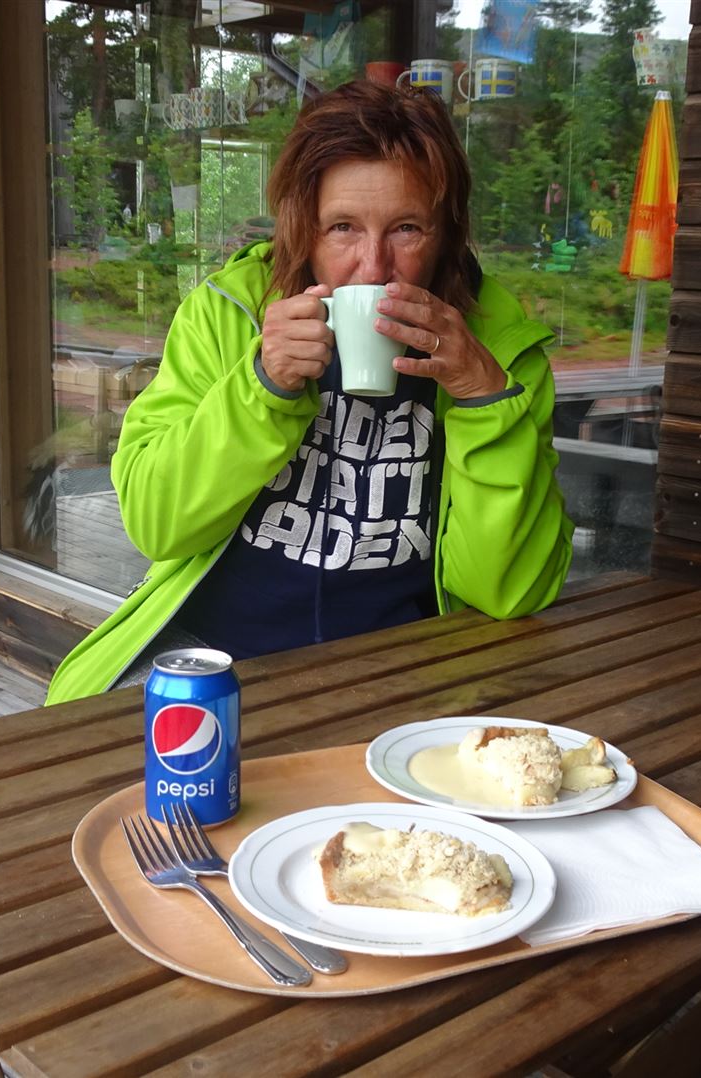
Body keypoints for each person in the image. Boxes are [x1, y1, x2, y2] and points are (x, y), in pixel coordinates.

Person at [45, 80, 574, 704]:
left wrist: (484, 399)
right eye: (343, 227)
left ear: (446, 234)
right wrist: (263, 386)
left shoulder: (500, 350)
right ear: (303, 228)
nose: (373, 267)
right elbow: (156, 525)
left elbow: (509, 592)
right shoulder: (228, 313)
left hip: (409, 670)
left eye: (406, 228)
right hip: (214, 653)